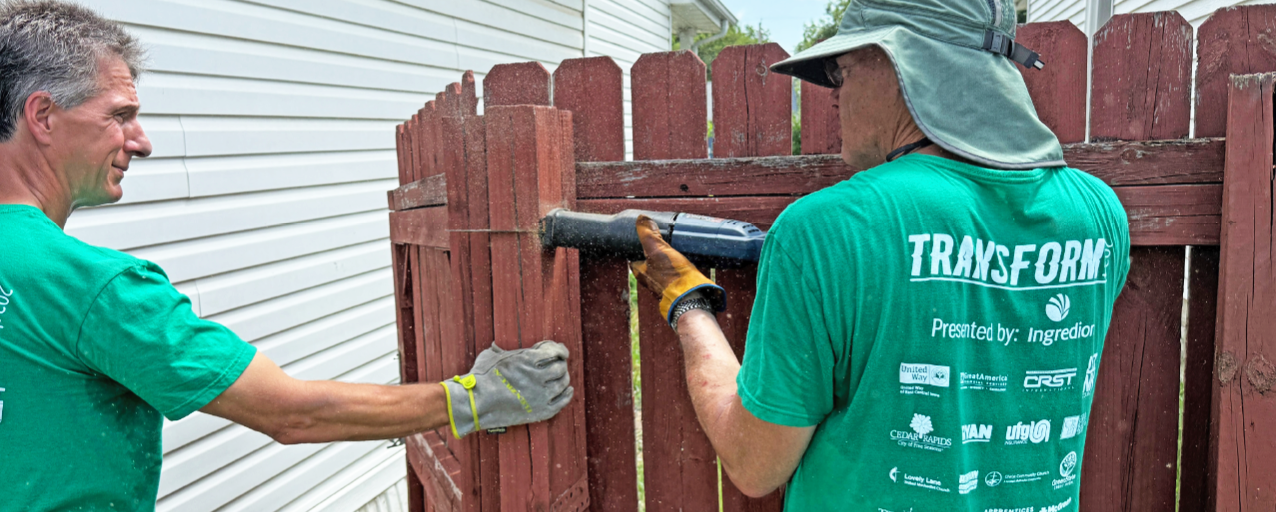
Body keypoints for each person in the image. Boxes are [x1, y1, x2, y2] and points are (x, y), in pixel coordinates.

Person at [0, 2, 573, 510]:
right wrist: (478, 397)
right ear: (43, 116)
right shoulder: (93, 288)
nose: (142, 141)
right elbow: (290, 412)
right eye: (120, 115)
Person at [630, 0, 1130, 510]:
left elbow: (754, 463)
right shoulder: (1100, 216)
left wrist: (688, 304)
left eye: (841, 71)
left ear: (903, 67)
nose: (833, 96)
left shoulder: (822, 231)